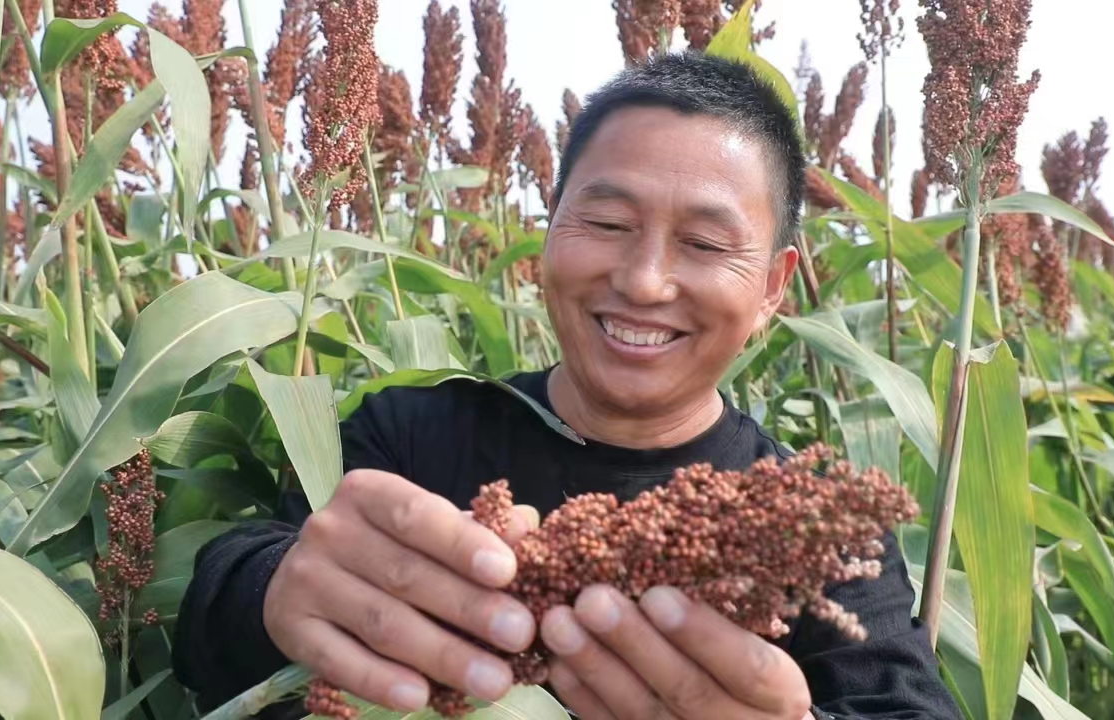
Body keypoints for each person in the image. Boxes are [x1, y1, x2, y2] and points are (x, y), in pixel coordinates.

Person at [172, 51, 961, 719]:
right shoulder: (410, 433)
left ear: (772, 289)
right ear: (549, 230)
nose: (644, 281)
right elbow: (215, 620)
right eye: (609, 225)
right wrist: (275, 595)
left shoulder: (815, 525)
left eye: (704, 242)